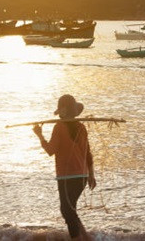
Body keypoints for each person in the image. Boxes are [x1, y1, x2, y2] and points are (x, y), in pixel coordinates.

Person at [33, 94, 96, 241]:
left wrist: (40, 135)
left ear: (64, 111)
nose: (59, 112)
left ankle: (78, 238)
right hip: (82, 176)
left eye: (61, 109)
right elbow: (88, 153)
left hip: (66, 177)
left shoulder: (59, 127)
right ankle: (86, 238)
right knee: (70, 210)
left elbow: (50, 150)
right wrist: (91, 175)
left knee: (67, 211)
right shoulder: (81, 127)